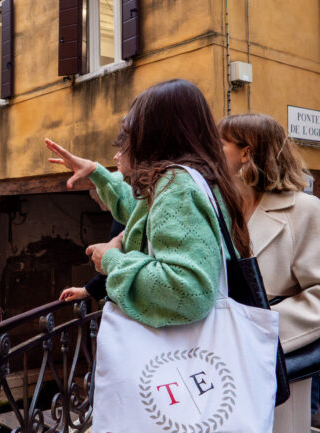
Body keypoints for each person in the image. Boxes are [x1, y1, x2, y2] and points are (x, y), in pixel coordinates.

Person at [52, 79, 250, 331]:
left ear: (156, 132)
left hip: (178, 360)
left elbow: (188, 292)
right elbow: (142, 216)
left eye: (136, 125)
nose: (131, 135)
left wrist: (111, 259)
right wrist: (96, 172)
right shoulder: (202, 179)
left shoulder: (177, 185)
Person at [218, 113, 320, 433]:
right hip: (222, 359)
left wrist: (260, 331)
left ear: (246, 152)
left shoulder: (305, 210)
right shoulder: (223, 210)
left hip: (280, 360)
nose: (213, 150)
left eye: (222, 143)